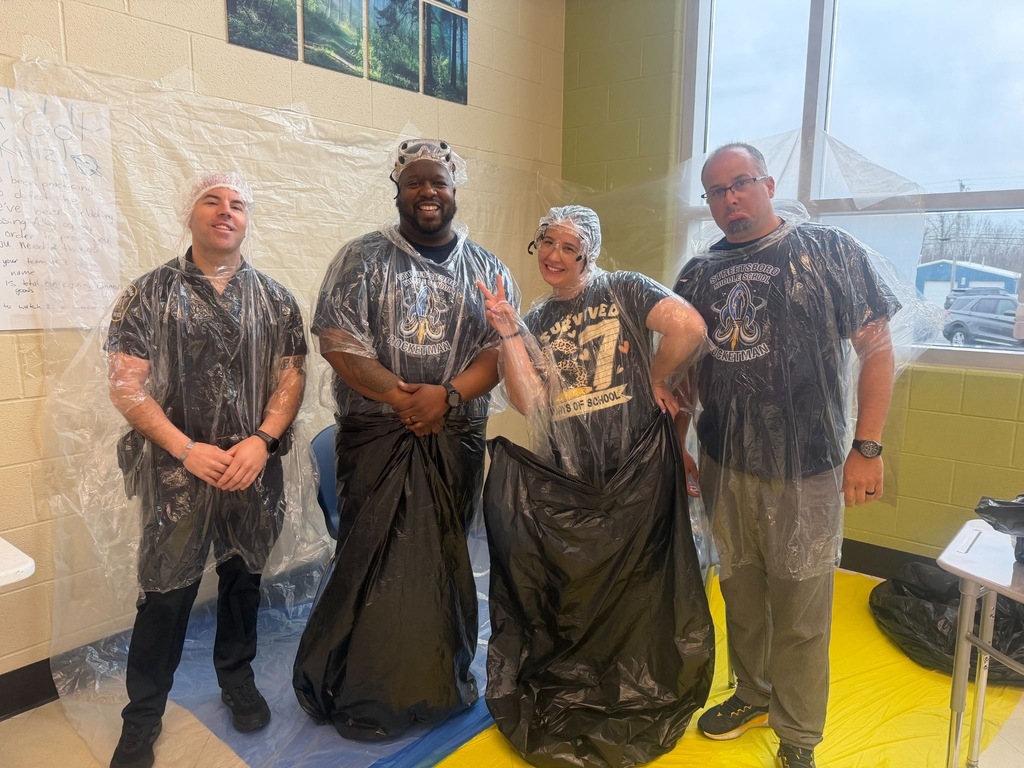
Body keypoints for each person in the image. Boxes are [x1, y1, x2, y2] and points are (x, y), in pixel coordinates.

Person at [673, 143, 899, 768]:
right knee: (741, 593)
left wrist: (868, 447)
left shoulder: (827, 252)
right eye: (715, 192)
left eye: (740, 184)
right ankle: (752, 693)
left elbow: (876, 351)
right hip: (725, 462)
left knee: (801, 608)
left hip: (810, 468)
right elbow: (684, 374)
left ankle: (798, 736)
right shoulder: (698, 274)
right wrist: (682, 447)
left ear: (768, 183)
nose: (729, 200)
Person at [292, 138, 518, 740]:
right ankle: (367, 688)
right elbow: (338, 341)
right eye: (415, 182)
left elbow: (500, 350)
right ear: (397, 188)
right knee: (374, 557)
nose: (427, 192)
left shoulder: (490, 269)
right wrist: (402, 397)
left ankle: (440, 682)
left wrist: (444, 398)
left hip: (455, 435)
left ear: (454, 189)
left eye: (438, 182)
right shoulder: (360, 260)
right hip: (378, 437)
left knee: (445, 557)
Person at [477, 206, 714, 768]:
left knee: (637, 580)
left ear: (590, 250)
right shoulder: (534, 318)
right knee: (580, 579)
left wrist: (657, 377)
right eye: (546, 245)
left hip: (632, 467)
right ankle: (586, 674)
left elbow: (689, 327)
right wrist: (510, 333)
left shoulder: (624, 288)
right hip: (569, 473)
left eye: (568, 245)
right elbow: (528, 400)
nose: (555, 256)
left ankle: (635, 678)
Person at [105, 171, 307, 768]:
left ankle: (236, 681)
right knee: (166, 594)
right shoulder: (148, 294)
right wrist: (188, 449)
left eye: (237, 204)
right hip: (176, 469)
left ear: (248, 219)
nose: (225, 211)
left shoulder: (274, 299)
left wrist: (263, 442)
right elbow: (126, 385)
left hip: (251, 465)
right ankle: (141, 719)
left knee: (244, 581)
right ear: (188, 214)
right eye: (211, 201)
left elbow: (289, 378)